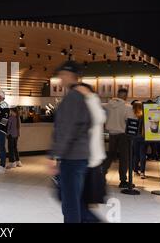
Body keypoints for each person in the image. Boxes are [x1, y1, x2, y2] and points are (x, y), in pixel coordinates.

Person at [49, 61, 91, 223]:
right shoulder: (82, 96)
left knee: (70, 205)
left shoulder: (73, 97)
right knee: (75, 203)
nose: (60, 78)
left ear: (69, 75)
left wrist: (54, 155)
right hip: (80, 157)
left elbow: (66, 130)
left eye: (62, 75)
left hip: (72, 159)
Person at [75, 83, 107, 223]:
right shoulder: (85, 106)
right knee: (80, 203)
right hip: (84, 161)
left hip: (90, 162)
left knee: (82, 204)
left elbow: (99, 119)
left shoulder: (93, 105)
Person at [102, 88, 135, 188]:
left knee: (111, 155)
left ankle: (101, 175)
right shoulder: (127, 107)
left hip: (112, 134)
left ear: (117, 94)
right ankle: (123, 181)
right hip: (123, 134)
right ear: (125, 96)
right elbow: (131, 120)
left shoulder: (108, 105)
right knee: (124, 158)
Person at [132, 102, 147, 179]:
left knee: (136, 154)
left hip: (134, 137)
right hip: (143, 137)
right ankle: (142, 172)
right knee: (142, 154)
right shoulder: (144, 115)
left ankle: (135, 171)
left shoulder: (133, 115)